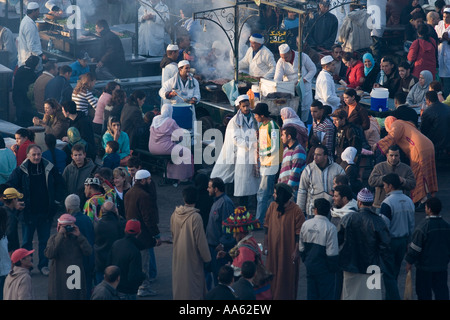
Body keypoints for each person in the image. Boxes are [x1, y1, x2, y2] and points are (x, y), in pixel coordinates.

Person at [6, 144, 65, 276]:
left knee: (44, 241)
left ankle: (43, 266)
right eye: (34, 154)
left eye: (39, 154)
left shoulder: (49, 168)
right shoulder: (20, 171)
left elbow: (60, 185)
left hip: (46, 213)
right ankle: (27, 266)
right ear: (28, 156)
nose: (37, 157)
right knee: (27, 241)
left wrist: (56, 202)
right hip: (28, 213)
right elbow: (11, 185)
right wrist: (17, 201)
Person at [337, 188, 391, 300]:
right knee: (372, 296)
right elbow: (385, 246)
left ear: (359, 202)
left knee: (350, 295)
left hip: (350, 265)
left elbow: (337, 240)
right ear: (371, 203)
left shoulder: (348, 218)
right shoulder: (379, 221)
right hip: (373, 267)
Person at [376, 117, 438, 210]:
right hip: (428, 145)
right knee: (427, 173)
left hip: (419, 149)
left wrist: (378, 144)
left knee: (418, 174)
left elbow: (392, 136)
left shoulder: (396, 124)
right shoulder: (405, 123)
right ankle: (427, 199)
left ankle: (422, 200)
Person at [210, 95, 260, 205]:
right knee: (239, 180)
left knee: (251, 180)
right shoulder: (234, 121)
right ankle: (240, 204)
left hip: (251, 153)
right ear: (239, 108)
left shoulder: (255, 118)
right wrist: (251, 143)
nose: (246, 108)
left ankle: (251, 204)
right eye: (244, 106)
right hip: (239, 152)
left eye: (247, 105)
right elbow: (236, 139)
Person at [264, 183, 305, 300]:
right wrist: (266, 245)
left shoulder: (296, 211)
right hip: (272, 251)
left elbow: (299, 234)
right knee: (271, 276)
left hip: (287, 253)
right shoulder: (272, 207)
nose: (273, 195)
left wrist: (296, 251)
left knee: (286, 278)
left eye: (276, 193)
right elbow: (266, 227)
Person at [124, 169, 161, 297]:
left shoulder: (129, 193)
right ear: (144, 180)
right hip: (143, 234)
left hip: (131, 233)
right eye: (149, 179)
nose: (150, 181)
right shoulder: (144, 196)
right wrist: (156, 234)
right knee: (144, 262)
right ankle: (143, 287)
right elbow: (148, 218)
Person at [405, 197, 450, 300]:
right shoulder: (447, 226)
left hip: (424, 268)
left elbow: (415, 248)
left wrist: (409, 262)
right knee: (442, 292)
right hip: (441, 267)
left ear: (429, 209)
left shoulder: (423, 227)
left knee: (424, 293)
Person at [171, 186, 211, 300]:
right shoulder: (195, 217)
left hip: (178, 255)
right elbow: (201, 241)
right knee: (194, 289)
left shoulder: (175, 214)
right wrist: (207, 259)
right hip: (193, 258)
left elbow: (173, 234)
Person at [380, 172, 415, 300]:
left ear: (390, 186)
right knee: (394, 273)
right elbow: (412, 224)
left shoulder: (387, 203)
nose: (384, 187)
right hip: (404, 240)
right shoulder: (409, 201)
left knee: (388, 275)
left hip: (390, 242)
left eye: (384, 185)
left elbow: (384, 226)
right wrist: (408, 243)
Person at [44, 213, 93, 300]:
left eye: (69, 226)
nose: (67, 229)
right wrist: (60, 235)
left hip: (75, 276)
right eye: (64, 227)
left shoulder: (78, 239)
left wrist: (79, 236)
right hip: (59, 278)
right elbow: (49, 254)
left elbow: (88, 252)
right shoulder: (54, 238)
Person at [299, 198, 339, 300]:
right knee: (326, 295)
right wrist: (332, 269)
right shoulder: (331, 228)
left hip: (310, 266)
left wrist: (306, 260)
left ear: (315, 210)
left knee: (311, 294)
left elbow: (301, 248)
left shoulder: (306, 224)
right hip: (325, 268)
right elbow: (332, 253)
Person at [148, 103, 194, 185]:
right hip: (164, 149)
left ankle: (169, 174)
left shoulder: (155, 119)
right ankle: (183, 177)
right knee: (186, 152)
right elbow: (180, 136)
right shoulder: (170, 121)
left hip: (152, 148)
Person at [253, 103, 282, 226]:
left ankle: (258, 221)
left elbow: (274, 147)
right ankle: (268, 219)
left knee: (263, 194)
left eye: (256, 115)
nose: (255, 117)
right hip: (265, 163)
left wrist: (262, 152)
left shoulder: (272, 126)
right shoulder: (262, 126)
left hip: (271, 163)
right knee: (267, 194)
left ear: (262, 115)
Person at [297, 144, 345, 218]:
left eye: (318, 155)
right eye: (314, 154)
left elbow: (344, 189)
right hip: (312, 211)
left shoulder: (337, 169)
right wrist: (300, 211)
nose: (315, 157)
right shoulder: (308, 170)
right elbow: (302, 191)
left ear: (325, 156)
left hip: (331, 212)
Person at [205, 177, 236, 288]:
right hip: (213, 248)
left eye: (209, 187)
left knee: (221, 281)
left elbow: (229, 227)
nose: (207, 189)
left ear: (216, 189)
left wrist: (223, 243)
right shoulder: (217, 202)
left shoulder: (225, 203)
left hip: (220, 249)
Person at [274, 44, 316, 122]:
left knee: (304, 113)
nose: (284, 59)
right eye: (282, 57)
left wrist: (303, 80)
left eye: (286, 57)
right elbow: (277, 78)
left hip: (304, 87)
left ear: (290, 53)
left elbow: (313, 69)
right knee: (292, 112)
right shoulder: (280, 62)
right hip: (290, 90)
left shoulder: (302, 57)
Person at [64, 194, 95, 299]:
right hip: (89, 258)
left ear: (68, 208)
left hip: (76, 261)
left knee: (75, 291)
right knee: (87, 288)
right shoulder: (87, 219)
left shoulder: (70, 222)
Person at [368, 144, 416, 211]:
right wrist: (385, 179)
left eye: (396, 155)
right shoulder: (379, 167)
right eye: (391, 155)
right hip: (381, 204)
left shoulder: (406, 169)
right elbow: (371, 181)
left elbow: (413, 184)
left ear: (399, 156)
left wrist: (403, 181)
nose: (394, 158)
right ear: (387, 155)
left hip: (400, 205)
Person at [108, 219, 146, 300]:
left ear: (125, 230)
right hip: (128, 291)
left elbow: (109, 264)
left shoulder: (116, 244)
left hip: (115, 286)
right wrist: (143, 276)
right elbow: (133, 276)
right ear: (139, 232)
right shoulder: (135, 251)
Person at [93, 201, 125, 285]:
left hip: (100, 260)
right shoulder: (120, 224)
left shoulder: (96, 225)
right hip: (115, 260)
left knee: (100, 285)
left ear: (102, 211)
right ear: (115, 210)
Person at [278, 126, 307, 200]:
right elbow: (282, 170)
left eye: (283, 135)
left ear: (289, 137)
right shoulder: (286, 149)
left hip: (292, 192)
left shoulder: (298, 151)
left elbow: (295, 174)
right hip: (284, 189)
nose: (281, 137)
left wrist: (286, 190)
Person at [12, 55, 39, 127]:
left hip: (16, 96)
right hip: (25, 99)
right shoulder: (32, 74)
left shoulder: (20, 69)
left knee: (19, 114)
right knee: (25, 118)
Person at [17, 2, 44, 70]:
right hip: (29, 60)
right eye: (38, 11)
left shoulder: (26, 20)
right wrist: (41, 54)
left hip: (25, 58)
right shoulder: (29, 25)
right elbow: (31, 46)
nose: (39, 13)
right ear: (33, 11)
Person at [435, 7, 450, 97]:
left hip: (448, 56)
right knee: (439, 82)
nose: (445, 19)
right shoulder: (439, 24)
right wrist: (441, 39)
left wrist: (448, 39)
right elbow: (435, 38)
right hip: (440, 54)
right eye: (444, 17)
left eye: (447, 17)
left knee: (447, 83)